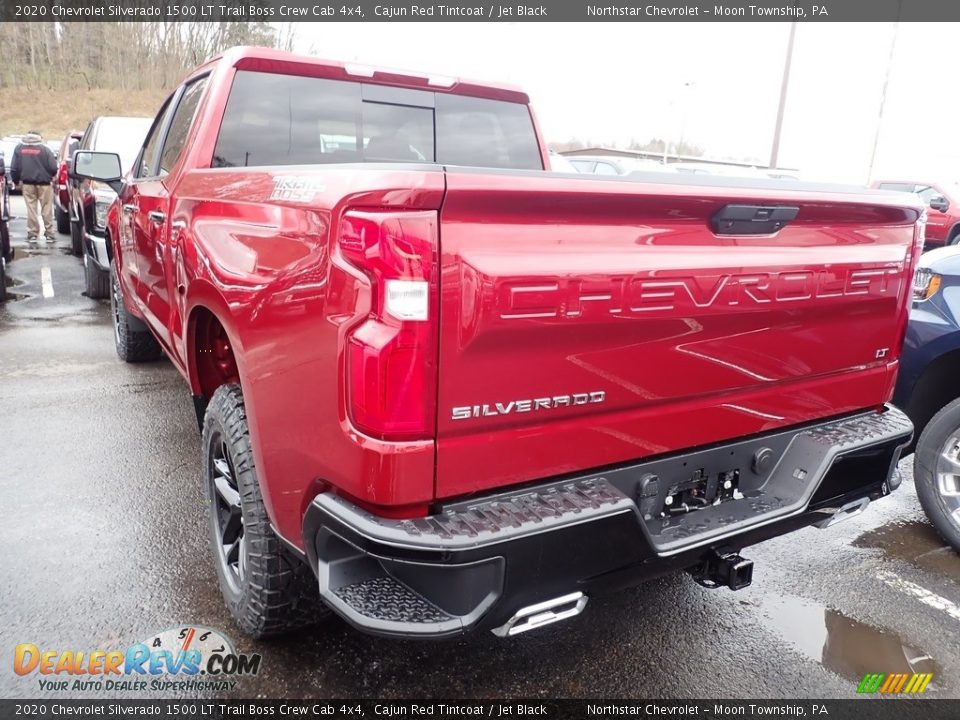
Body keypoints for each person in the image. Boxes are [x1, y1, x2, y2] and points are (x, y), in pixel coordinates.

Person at [11, 130, 58, 244]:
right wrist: (50, 176)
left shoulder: (19, 149)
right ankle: (49, 233)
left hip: (27, 183)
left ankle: (32, 233)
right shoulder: (45, 149)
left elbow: (14, 167)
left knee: (31, 209)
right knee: (47, 208)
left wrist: (16, 181)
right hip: (44, 184)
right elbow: (53, 167)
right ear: (39, 137)